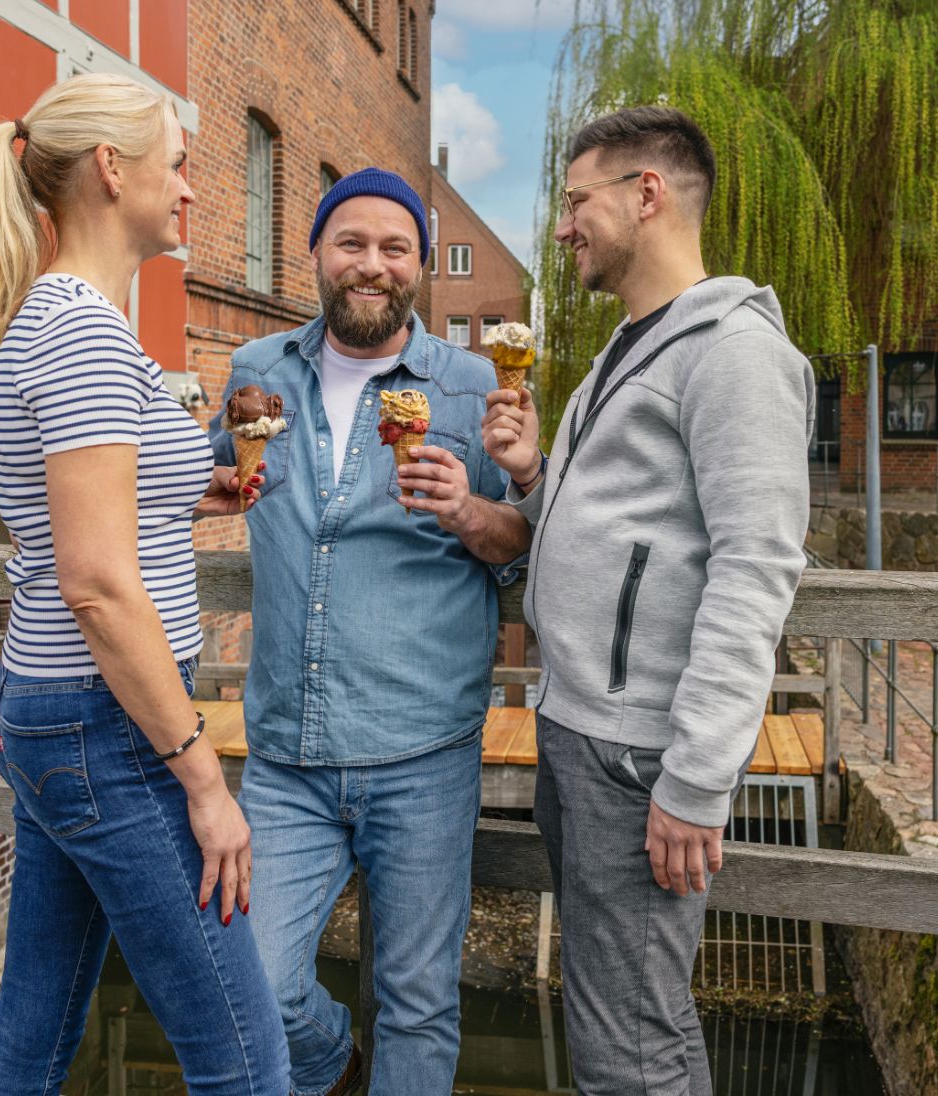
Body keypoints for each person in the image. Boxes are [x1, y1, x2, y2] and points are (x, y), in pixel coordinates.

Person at [0, 74, 289, 1096]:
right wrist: (203, 779)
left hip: (63, 715)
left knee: (35, 1037)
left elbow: (89, 522)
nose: (189, 190)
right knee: (245, 1062)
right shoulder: (85, 332)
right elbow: (95, 583)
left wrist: (197, 486)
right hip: (109, 725)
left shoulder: (62, 321)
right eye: (176, 163)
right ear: (111, 169)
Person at [482, 106, 814, 1095]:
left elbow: (754, 567)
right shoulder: (630, 346)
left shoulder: (734, 354)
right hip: (581, 731)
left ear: (647, 193)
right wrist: (535, 472)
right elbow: (620, 530)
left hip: (639, 755)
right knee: (606, 1014)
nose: (561, 226)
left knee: (631, 1038)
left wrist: (695, 778)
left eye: (575, 199)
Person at [209, 167, 532, 1096]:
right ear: (316, 252)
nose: (372, 265)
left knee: (421, 1001)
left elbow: (519, 548)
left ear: (420, 269)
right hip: (285, 755)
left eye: (396, 249)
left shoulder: (474, 389)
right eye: (351, 243)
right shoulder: (258, 373)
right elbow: (197, 481)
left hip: (424, 749)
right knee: (254, 987)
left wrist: (471, 509)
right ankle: (332, 1061)